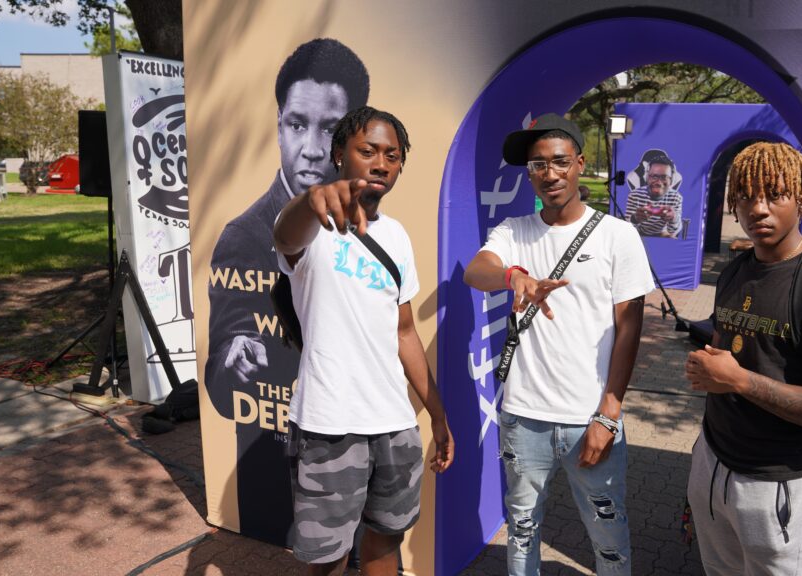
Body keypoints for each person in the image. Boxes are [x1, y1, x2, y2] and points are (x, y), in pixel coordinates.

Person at [463, 113, 654, 575]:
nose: (549, 174)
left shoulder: (617, 235)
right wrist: (514, 277)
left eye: (559, 162)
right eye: (536, 166)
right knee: (523, 531)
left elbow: (629, 329)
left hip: (589, 419)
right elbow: (475, 271)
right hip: (523, 419)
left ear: (579, 163)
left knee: (608, 537)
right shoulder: (515, 232)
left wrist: (609, 414)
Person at [273, 106, 453, 575]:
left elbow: (405, 331)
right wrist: (312, 198)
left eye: (392, 155)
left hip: (394, 422)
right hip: (330, 424)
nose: (380, 163)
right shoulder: (311, 228)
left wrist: (437, 413)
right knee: (328, 559)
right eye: (367, 151)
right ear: (339, 154)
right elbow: (283, 236)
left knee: (384, 543)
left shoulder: (396, 236)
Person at [203, 38, 369, 542]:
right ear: (278, 126)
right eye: (298, 124)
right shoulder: (244, 235)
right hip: (274, 468)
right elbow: (221, 369)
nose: (313, 148)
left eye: (331, 129)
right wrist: (235, 354)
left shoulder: (374, 229)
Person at [684, 142, 802, 575]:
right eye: (746, 196)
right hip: (713, 463)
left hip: (780, 483)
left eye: (774, 194)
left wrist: (738, 381)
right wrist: (709, 368)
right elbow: (734, 350)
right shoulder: (735, 268)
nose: (758, 209)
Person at [624, 149, 683, 237]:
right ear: (647, 178)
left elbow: (673, 231)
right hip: (640, 234)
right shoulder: (634, 195)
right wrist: (635, 218)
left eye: (664, 177)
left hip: (663, 234)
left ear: (671, 180)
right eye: (654, 176)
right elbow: (627, 229)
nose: (658, 182)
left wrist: (673, 218)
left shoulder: (675, 197)